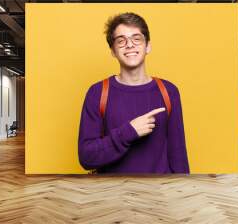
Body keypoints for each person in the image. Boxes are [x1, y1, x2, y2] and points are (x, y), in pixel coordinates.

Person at [78, 12, 189, 174]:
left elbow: (178, 153)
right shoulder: (97, 92)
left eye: (136, 38)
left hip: (159, 194)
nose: (129, 45)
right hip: (111, 194)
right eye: (121, 41)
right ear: (113, 51)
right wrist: (129, 131)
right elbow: (86, 157)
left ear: (148, 46)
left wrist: (182, 190)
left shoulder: (169, 91)